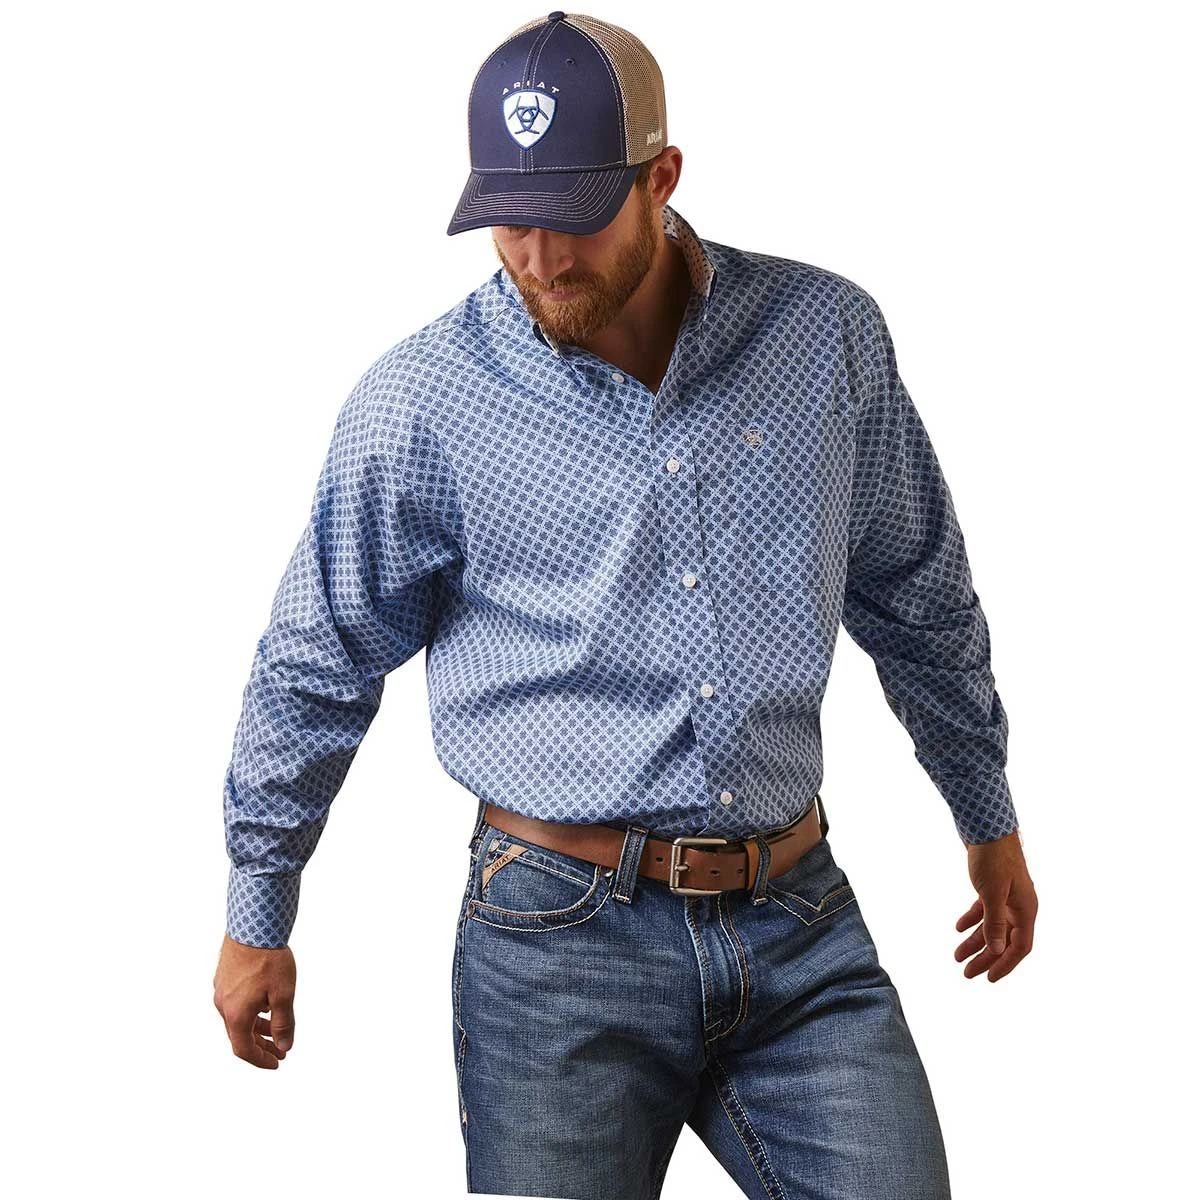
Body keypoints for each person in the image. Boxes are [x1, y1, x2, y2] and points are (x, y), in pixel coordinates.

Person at [213, 11, 1039, 1198]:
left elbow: (916, 592)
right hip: (555, 943)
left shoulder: (825, 337)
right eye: (510, 219)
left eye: (576, 216)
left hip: (800, 923)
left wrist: (985, 813)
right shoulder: (421, 405)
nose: (542, 258)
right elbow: (315, 664)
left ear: (663, 178)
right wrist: (258, 910)